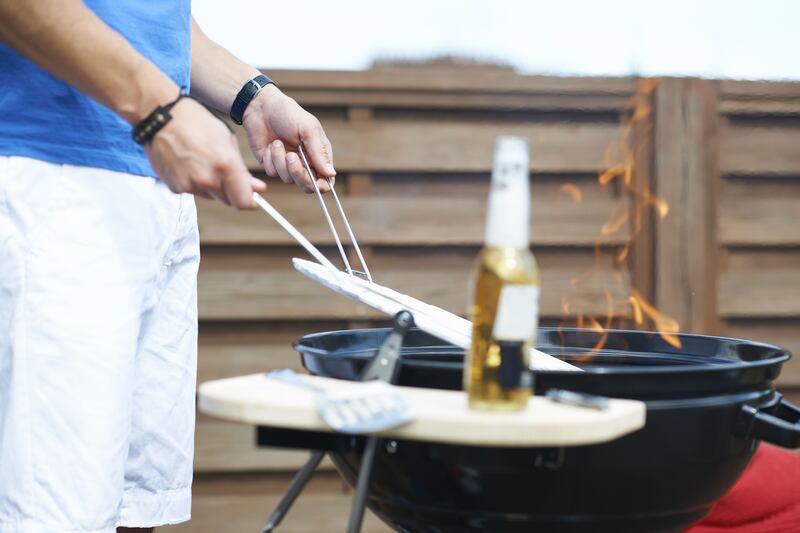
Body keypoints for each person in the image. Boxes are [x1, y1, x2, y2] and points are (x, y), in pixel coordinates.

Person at [0, 2, 335, 532]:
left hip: (156, 194)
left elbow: (151, 16)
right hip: (53, 177)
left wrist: (252, 95)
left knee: (141, 507)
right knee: (56, 517)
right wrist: (159, 111)